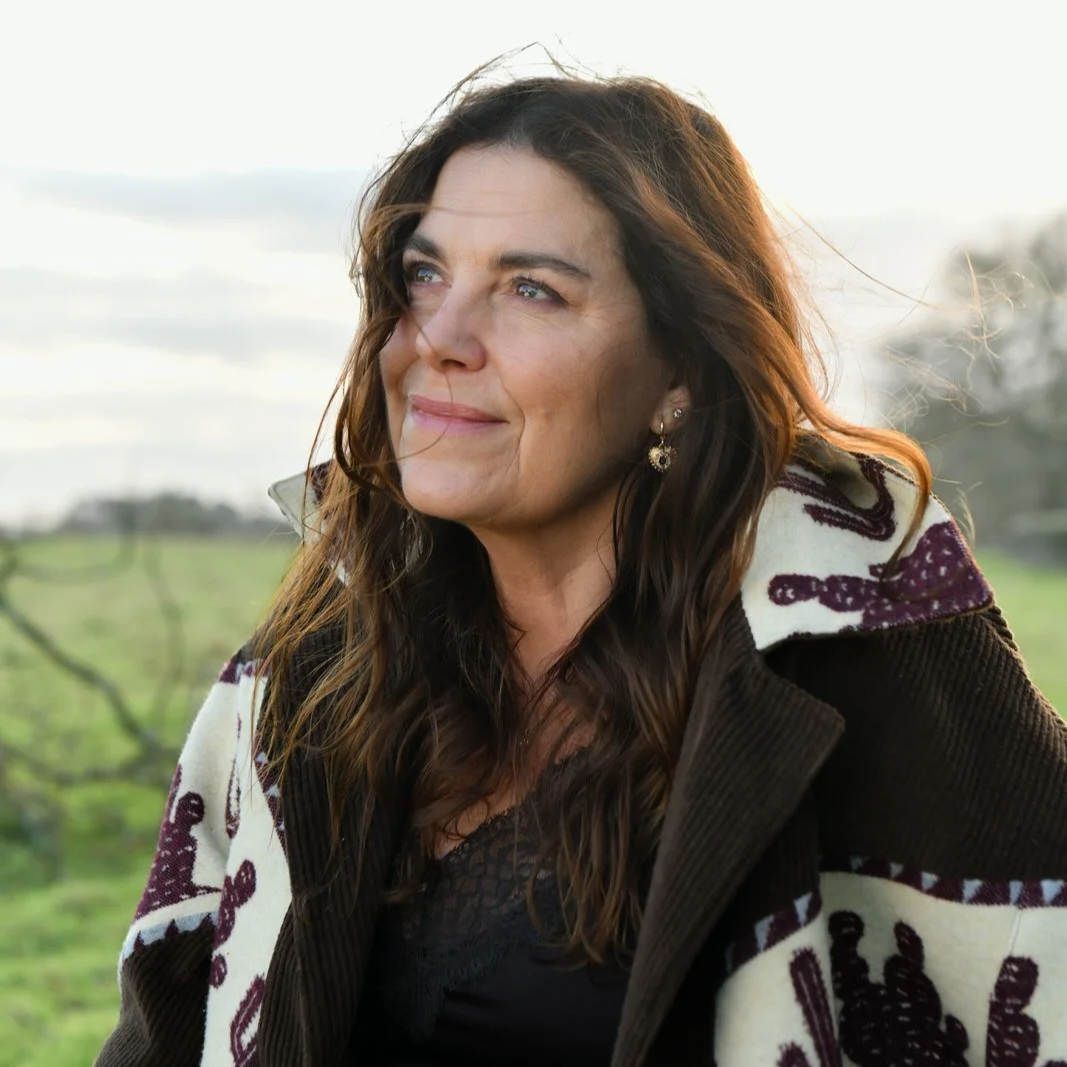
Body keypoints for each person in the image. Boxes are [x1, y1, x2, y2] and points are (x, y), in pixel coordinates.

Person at [95, 71, 1067, 1067]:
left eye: (530, 290)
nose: (438, 340)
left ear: (677, 375)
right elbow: (166, 1025)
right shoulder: (306, 669)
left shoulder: (856, 649)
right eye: (424, 275)